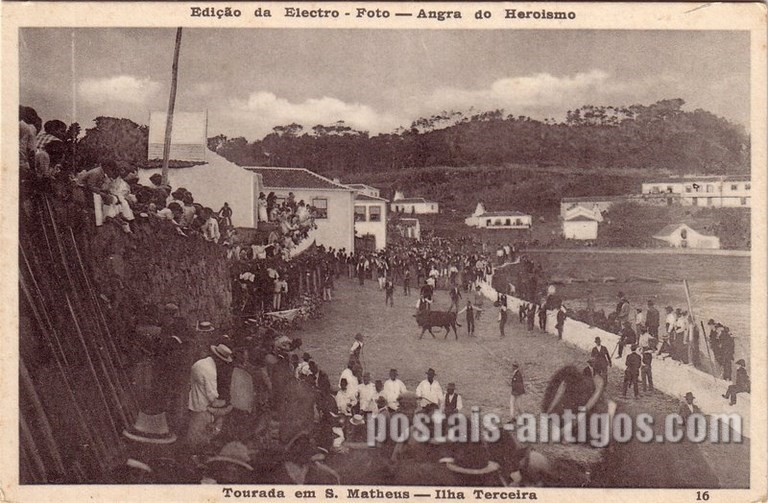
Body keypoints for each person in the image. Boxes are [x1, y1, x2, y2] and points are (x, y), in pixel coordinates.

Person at [186, 344, 234, 449]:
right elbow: (213, 399)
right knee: (199, 439)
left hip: (194, 402)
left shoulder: (202, 362)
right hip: (202, 408)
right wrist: (228, 405)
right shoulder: (210, 371)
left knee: (194, 435)